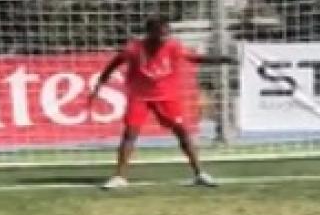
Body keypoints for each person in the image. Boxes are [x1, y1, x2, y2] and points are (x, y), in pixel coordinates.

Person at [88, 17, 225, 190]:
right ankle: (119, 177)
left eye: (167, 34)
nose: (164, 38)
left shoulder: (173, 46)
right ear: (150, 33)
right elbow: (114, 63)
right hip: (139, 96)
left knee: (182, 132)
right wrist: (100, 83)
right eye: (161, 34)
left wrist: (220, 59)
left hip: (167, 97)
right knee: (130, 133)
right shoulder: (134, 49)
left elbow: (193, 58)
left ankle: (200, 174)